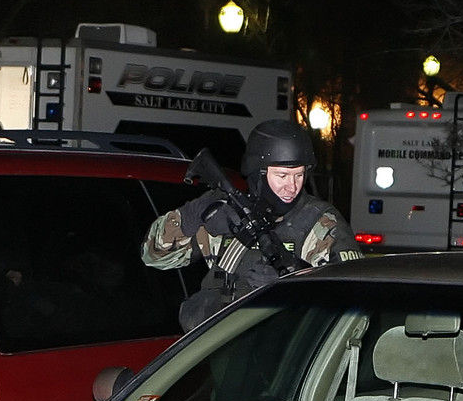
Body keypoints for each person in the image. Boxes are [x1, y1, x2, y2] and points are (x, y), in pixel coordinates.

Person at [142, 119, 363, 330]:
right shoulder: (227, 209)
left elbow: (355, 295)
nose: (292, 186)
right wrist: (194, 214)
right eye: (282, 176)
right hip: (217, 348)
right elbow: (154, 256)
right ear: (259, 173)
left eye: (299, 175)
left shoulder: (320, 221)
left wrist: (298, 281)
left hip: (286, 357)